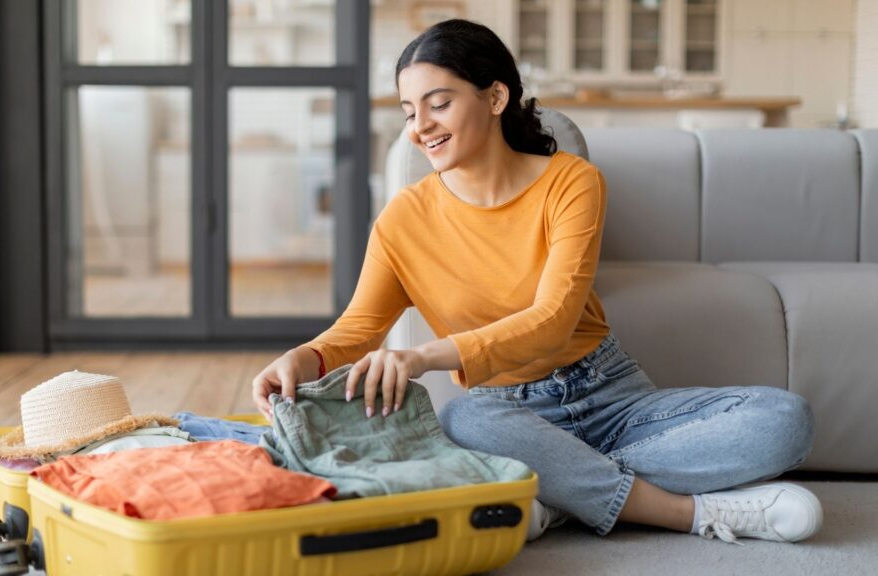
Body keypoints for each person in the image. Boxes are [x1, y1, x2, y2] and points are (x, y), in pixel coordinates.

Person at [251, 19, 822, 546]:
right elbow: (359, 329)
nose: (420, 127)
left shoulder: (571, 183)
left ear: (495, 97)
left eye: (439, 103)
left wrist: (422, 356)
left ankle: (553, 489)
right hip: (506, 413)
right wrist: (303, 359)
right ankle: (684, 513)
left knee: (784, 421)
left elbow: (553, 320)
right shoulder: (403, 219)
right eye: (408, 111)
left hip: (611, 398)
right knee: (463, 419)